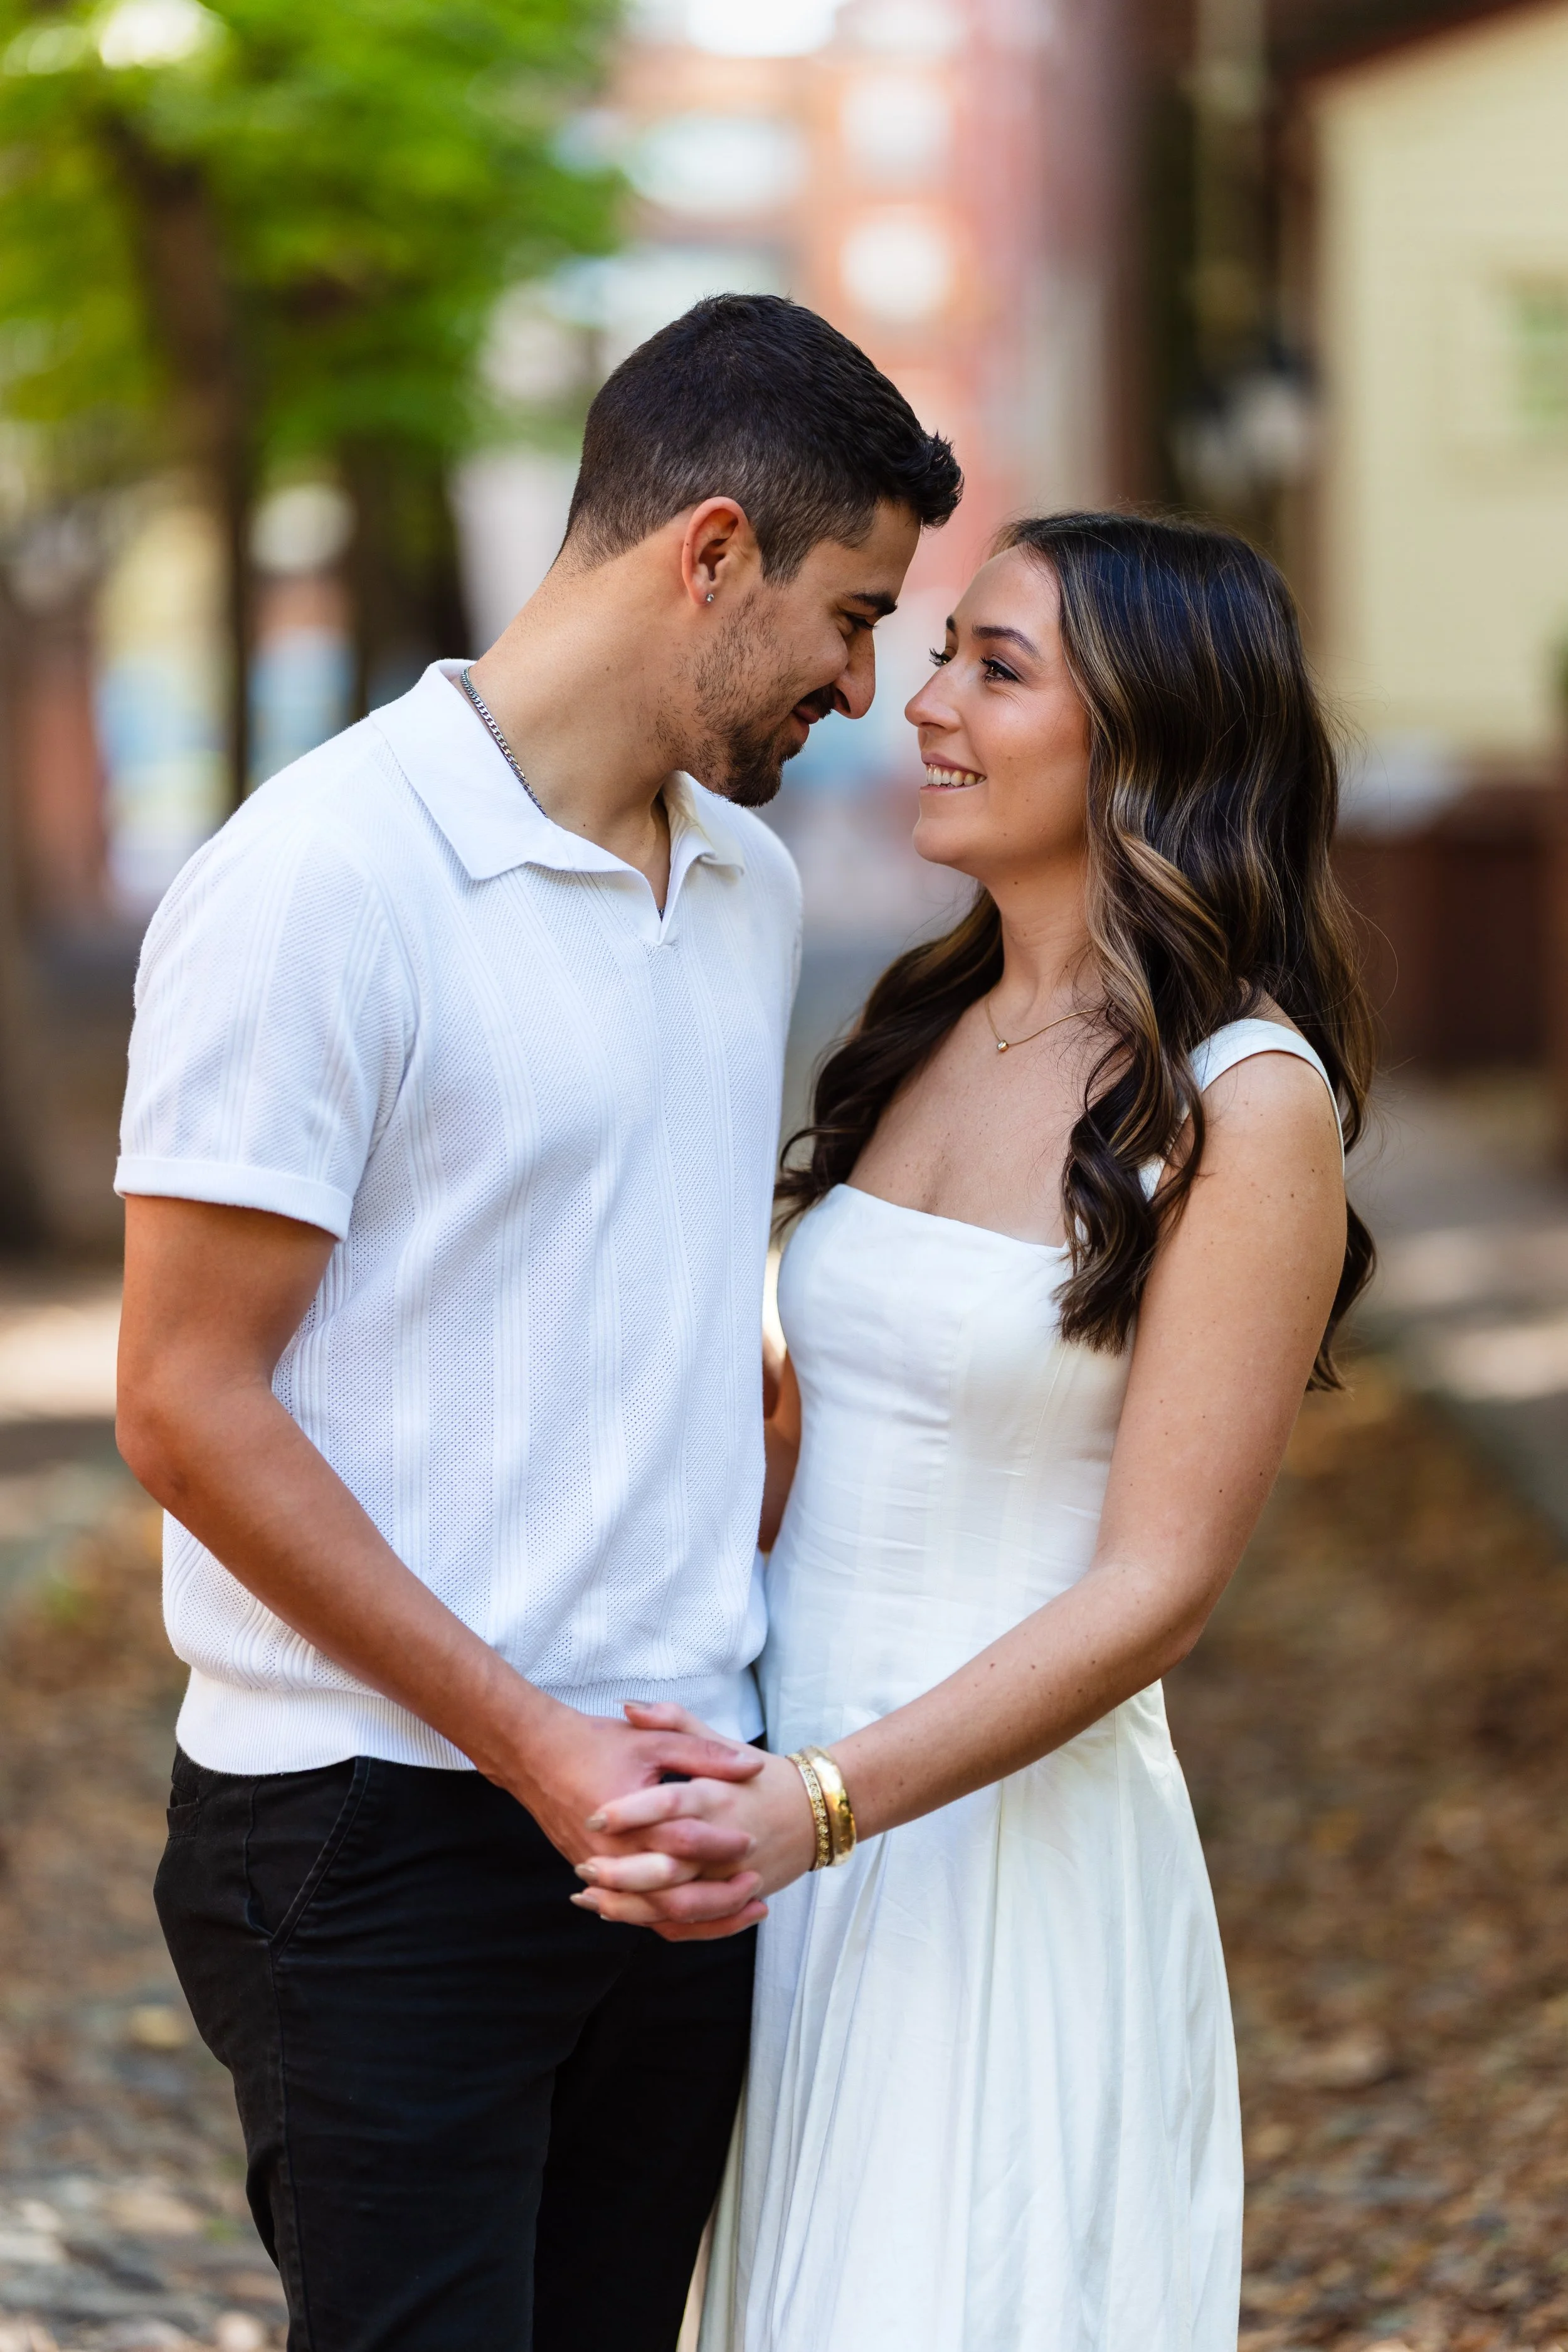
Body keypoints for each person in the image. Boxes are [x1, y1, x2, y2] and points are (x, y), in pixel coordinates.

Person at [112, 293, 960, 2352]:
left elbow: (626, 1295)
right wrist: (536, 1746)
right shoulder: (321, 878)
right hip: (377, 1826)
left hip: (680, 1824)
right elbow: (181, 1400)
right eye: (852, 615)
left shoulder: (745, 889)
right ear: (712, 551)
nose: (865, 686)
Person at [566, 512, 1378, 2351]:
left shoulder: (1245, 1103)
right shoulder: (923, 1018)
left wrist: (824, 1804)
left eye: (993, 670)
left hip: (994, 1852)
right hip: (777, 1839)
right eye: (940, 652)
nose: (918, 704)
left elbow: (1160, 1586)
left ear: (1153, 739)